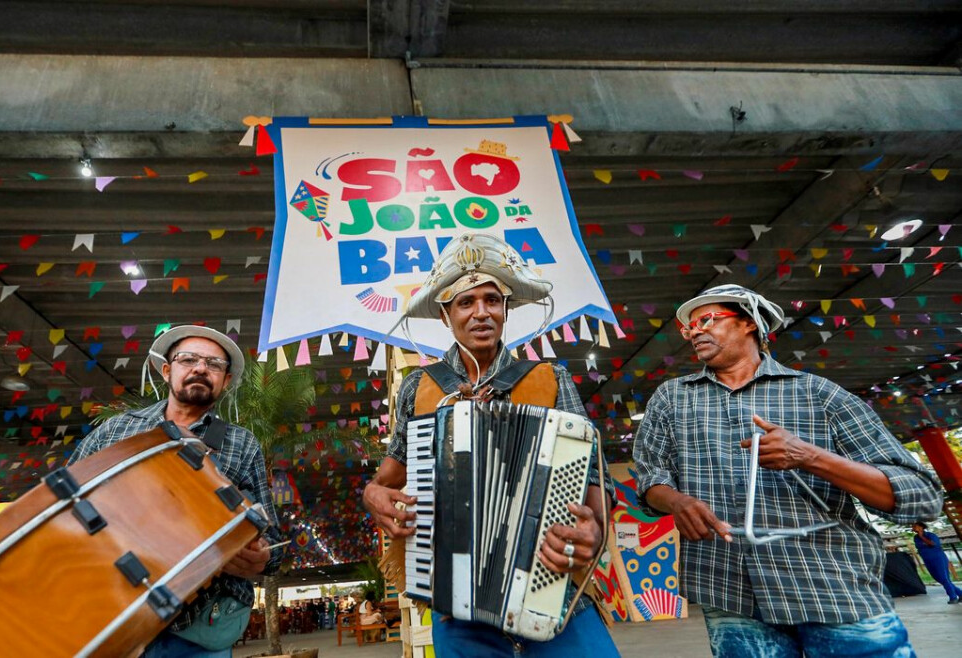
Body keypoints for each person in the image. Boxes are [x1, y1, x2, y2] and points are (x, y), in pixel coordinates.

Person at [632, 284, 943, 657]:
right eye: (688, 328)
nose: (694, 331)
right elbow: (651, 476)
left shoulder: (820, 395)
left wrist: (810, 457)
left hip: (831, 586)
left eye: (706, 320)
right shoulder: (672, 398)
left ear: (749, 323)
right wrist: (676, 501)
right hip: (729, 590)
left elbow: (921, 497)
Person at [362, 233, 620, 657]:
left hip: (550, 585)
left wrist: (592, 528)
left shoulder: (550, 378)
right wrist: (372, 494)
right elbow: (389, 478)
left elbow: (595, 481)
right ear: (445, 315)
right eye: (466, 302)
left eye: (492, 300)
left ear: (505, 309)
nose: (481, 312)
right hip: (454, 603)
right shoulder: (418, 388)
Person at [69, 325, 283, 658]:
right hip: (111, 618)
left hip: (197, 631)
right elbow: (64, 499)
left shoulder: (241, 444)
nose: (201, 368)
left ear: (225, 381)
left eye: (214, 364)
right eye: (189, 359)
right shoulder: (117, 429)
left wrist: (262, 555)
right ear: (167, 370)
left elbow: (273, 543)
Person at [912, 521, 962, 603]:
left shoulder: (931, 535)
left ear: (921, 527)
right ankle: (960, 593)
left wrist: (922, 537)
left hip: (938, 559)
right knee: (939, 579)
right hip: (927, 560)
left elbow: (933, 544)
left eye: (915, 526)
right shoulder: (915, 538)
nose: (913, 528)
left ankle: (953, 597)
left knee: (944, 578)